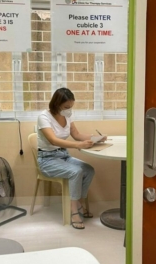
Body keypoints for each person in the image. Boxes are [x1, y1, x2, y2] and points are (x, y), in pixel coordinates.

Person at [37, 87, 106, 230]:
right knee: (76, 172)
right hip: (47, 160)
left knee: (88, 170)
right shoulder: (44, 117)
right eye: (66, 107)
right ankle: (74, 211)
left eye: (71, 107)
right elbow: (53, 141)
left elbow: (77, 135)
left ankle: (78, 202)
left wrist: (96, 138)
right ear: (56, 104)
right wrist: (78, 145)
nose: (69, 110)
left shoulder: (67, 116)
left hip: (63, 155)